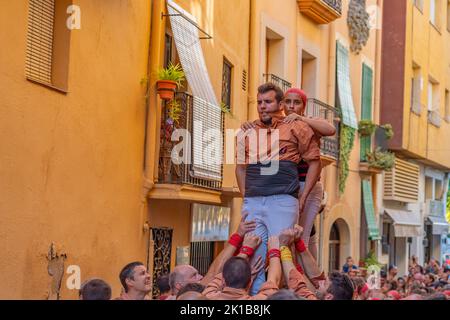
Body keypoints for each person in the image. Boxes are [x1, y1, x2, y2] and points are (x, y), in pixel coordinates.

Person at [235, 83, 322, 294]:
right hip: (254, 201)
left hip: (283, 199)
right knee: (253, 253)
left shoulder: (296, 126)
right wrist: (246, 196)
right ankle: (258, 299)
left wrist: (303, 197)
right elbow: (239, 168)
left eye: (267, 102)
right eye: (259, 102)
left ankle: (281, 297)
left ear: (280, 104)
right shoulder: (246, 131)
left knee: (282, 251)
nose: (262, 106)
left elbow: (315, 162)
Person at [241, 87, 335, 261]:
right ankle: (310, 276)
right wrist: (249, 125)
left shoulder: (305, 123)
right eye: (289, 102)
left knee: (300, 237)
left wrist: (301, 118)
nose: (292, 106)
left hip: (308, 185)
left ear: (303, 106)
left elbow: (330, 129)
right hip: (287, 187)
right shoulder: (281, 125)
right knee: (300, 236)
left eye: (297, 102)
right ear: (283, 104)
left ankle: (305, 280)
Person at [203, 234, 280, 300]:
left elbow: (218, 278)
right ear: (250, 283)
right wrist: (274, 250)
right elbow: (272, 282)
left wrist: (246, 249)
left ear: (223, 281)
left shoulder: (207, 296)